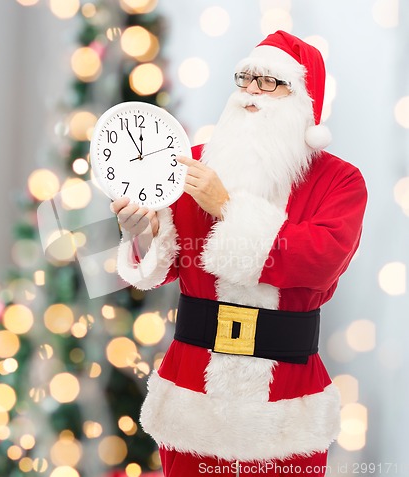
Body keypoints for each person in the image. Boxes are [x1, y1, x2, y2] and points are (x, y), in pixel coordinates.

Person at [111, 31, 367, 477]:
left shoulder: (340, 182)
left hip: (286, 405)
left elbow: (321, 261)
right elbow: (161, 266)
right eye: (245, 77)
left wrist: (227, 208)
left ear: (304, 100)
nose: (251, 91)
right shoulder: (190, 166)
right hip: (193, 399)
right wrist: (139, 234)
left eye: (270, 82)